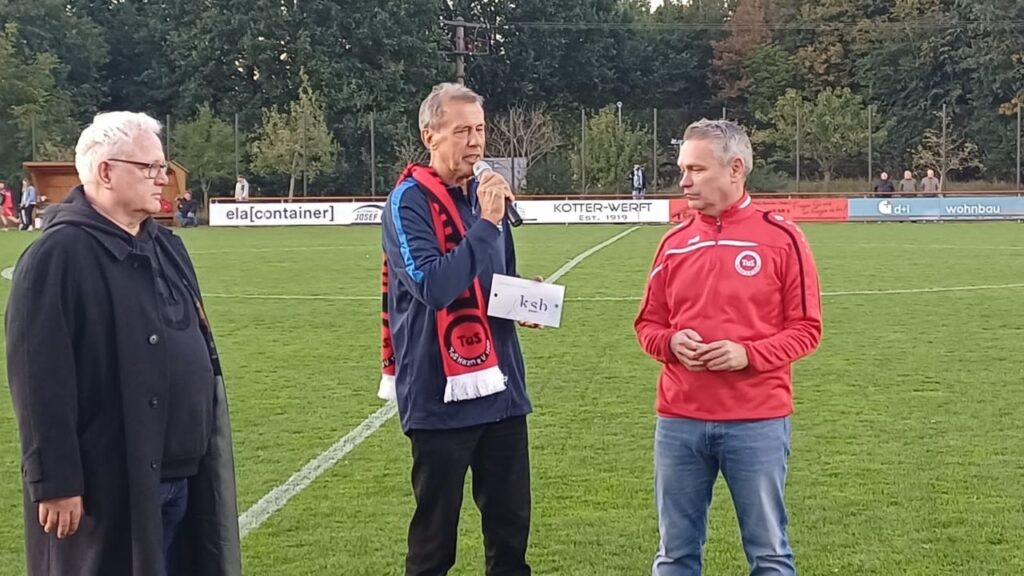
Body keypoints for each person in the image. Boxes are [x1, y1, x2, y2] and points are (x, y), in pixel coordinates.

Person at [6, 111, 241, 576]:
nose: (163, 180)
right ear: (106, 171)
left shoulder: (166, 246)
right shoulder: (57, 258)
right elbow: (38, 378)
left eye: (163, 167)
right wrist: (55, 480)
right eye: (149, 168)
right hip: (110, 484)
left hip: (183, 472)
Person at [635, 119, 822, 576]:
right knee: (674, 555)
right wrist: (671, 343)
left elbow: (807, 328)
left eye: (696, 169)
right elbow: (647, 325)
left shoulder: (783, 239)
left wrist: (749, 354)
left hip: (756, 421)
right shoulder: (674, 243)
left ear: (735, 168)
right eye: (682, 168)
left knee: (769, 555)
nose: (683, 180)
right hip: (679, 421)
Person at [380, 82, 535, 576]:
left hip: (502, 392)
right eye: (462, 130)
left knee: (510, 534)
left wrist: (522, 300)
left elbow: (492, 282)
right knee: (434, 545)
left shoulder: (486, 197)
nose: (476, 141)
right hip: (438, 395)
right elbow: (435, 287)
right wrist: (487, 224)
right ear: (430, 135)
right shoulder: (408, 203)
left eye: (481, 129)